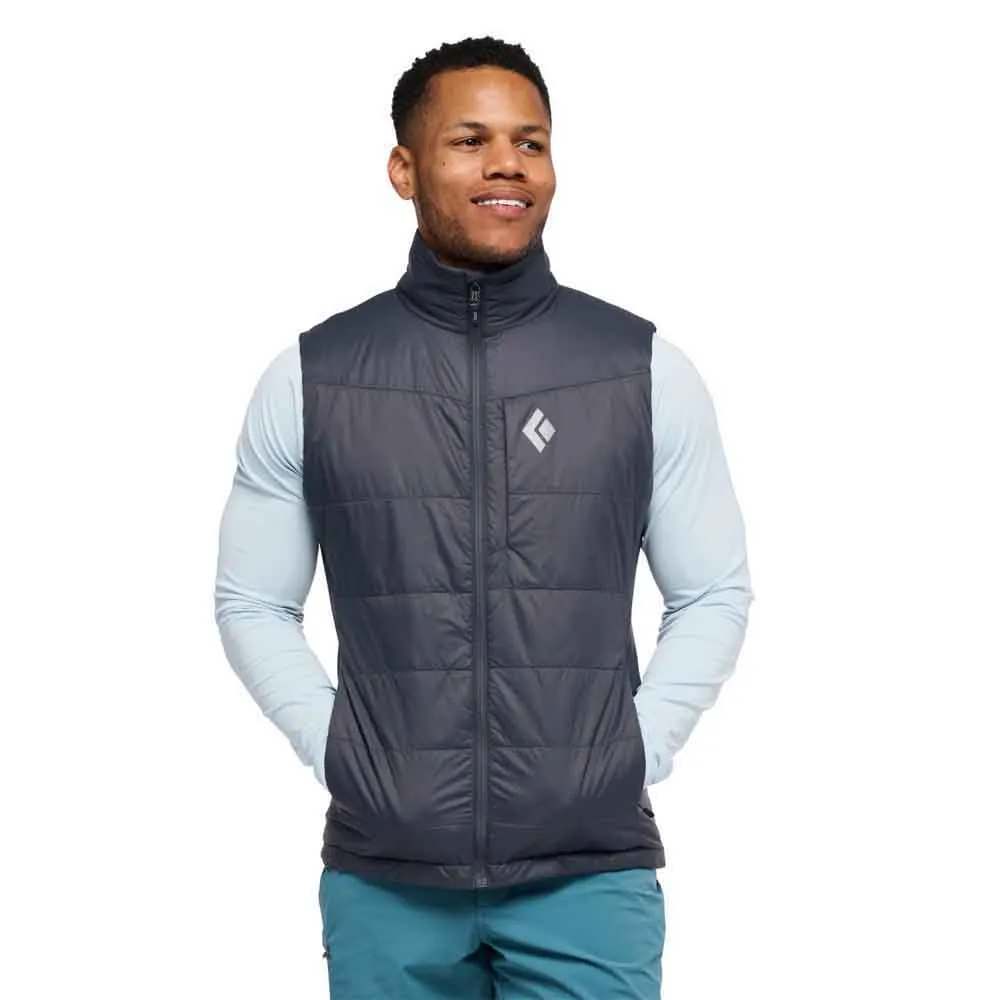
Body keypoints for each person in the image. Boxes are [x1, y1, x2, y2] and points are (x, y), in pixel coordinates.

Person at [214, 35, 754, 1000]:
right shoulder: (312, 377)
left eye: (530, 142)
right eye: (470, 141)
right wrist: (341, 750)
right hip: (386, 875)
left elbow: (712, 590)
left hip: (589, 873)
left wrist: (634, 752)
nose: (508, 163)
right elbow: (252, 601)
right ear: (404, 169)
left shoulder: (641, 370)